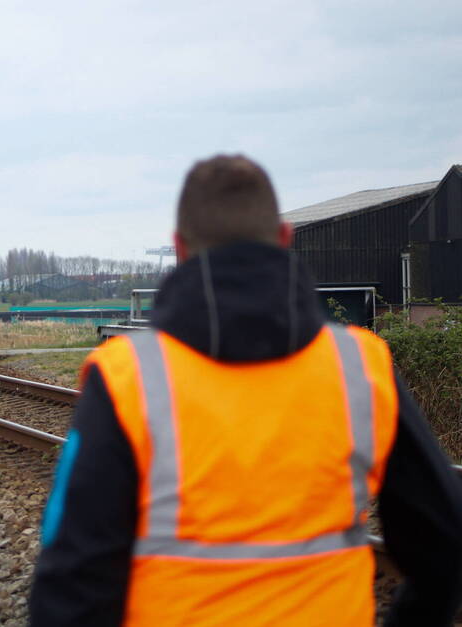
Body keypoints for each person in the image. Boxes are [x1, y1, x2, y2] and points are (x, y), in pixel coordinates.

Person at [29, 155, 462, 625]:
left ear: (179, 248)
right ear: (283, 239)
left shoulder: (127, 375)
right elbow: (445, 538)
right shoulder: (358, 365)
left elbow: (72, 577)